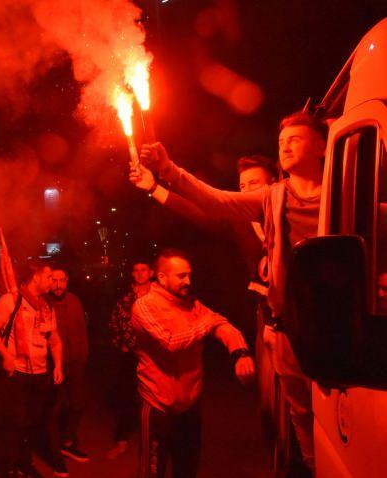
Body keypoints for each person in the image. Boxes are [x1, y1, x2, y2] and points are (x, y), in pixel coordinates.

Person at [131, 112, 327, 475]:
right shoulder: (259, 208)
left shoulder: (336, 194)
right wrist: (161, 179)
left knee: (336, 410)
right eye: (242, 183)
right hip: (277, 323)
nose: (246, 189)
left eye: (295, 139)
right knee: (289, 410)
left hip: (328, 323)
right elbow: (208, 204)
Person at [131, 249, 255, 478]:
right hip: (158, 406)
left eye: (189, 275)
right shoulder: (144, 306)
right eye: (181, 276)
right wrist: (206, 324)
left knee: (187, 469)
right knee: (152, 472)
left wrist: (240, 352)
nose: (188, 281)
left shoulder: (190, 303)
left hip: (190, 407)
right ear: (161, 277)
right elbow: (171, 341)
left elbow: (222, 325)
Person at [0, 260, 64, 478]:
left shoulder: (47, 305)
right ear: (36, 277)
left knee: (32, 423)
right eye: (49, 277)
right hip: (17, 373)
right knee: (15, 423)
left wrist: (57, 365)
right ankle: (9, 467)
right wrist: (6, 355)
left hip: (40, 374)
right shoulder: (11, 300)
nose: (52, 282)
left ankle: (24, 463)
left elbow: (55, 340)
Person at [106, 260, 152, 459]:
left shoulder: (160, 297)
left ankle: (154, 439)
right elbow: (114, 323)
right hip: (131, 356)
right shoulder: (125, 299)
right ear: (133, 274)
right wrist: (122, 344)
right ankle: (122, 440)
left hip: (155, 356)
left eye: (144, 270)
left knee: (153, 398)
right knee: (125, 397)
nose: (140, 273)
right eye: (136, 270)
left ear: (151, 273)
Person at [47, 267, 89, 469]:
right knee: (56, 408)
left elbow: (82, 329)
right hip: (53, 364)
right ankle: (56, 453)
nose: (57, 285)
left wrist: (84, 355)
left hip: (76, 362)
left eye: (61, 280)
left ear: (67, 281)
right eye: (54, 280)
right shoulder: (44, 302)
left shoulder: (74, 300)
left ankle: (67, 441)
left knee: (78, 404)